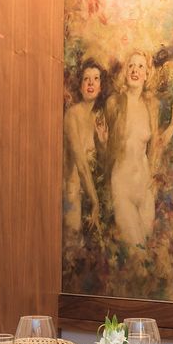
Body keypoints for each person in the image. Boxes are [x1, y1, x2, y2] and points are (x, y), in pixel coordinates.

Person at [105, 50, 173, 248]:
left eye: (140, 66)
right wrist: (101, 140)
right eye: (131, 65)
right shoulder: (114, 103)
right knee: (136, 248)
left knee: (146, 248)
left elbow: (156, 145)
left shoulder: (151, 106)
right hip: (122, 185)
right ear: (125, 72)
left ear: (147, 74)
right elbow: (104, 147)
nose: (135, 70)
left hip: (145, 187)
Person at [63, 61, 107, 244]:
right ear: (80, 86)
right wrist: (95, 201)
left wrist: (104, 143)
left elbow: (104, 163)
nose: (91, 83)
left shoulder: (97, 117)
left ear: (100, 86)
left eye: (95, 79)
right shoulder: (72, 114)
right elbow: (80, 163)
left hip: (88, 188)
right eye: (86, 79)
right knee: (73, 242)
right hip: (71, 188)